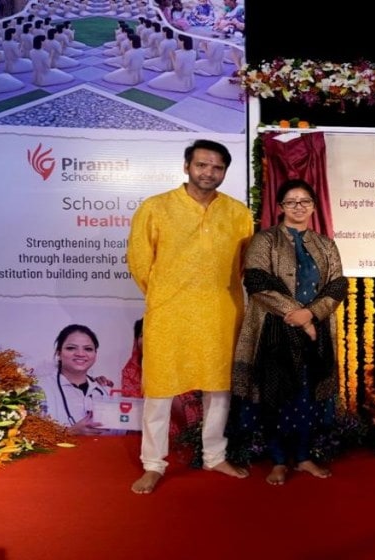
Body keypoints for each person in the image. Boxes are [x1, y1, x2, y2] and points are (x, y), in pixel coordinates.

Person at [126, 139, 254, 494]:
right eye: (202, 165)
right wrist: (166, 295)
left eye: (217, 167)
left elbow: (243, 265)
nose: (208, 172)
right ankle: (153, 464)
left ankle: (215, 455)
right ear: (186, 167)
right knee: (160, 390)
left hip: (221, 312)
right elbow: (139, 261)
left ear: (225, 172)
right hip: (170, 313)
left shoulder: (238, 213)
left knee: (219, 389)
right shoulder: (156, 208)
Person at [229, 179, 348, 485]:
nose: (298, 207)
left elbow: (338, 285)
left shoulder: (326, 244)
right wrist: (298, 316)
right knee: (276, 393)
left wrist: (312, 315)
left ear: (314, 207)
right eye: (291, 201)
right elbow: (256, 281)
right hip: (274, 330)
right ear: (280, 207)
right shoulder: (264, 240)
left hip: (315, 333)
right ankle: (279, 460)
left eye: (304, 201)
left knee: (308, 393)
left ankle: (304, 457)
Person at [120, 318, 203, 439]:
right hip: (139, 441)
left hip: (176, 442)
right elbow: (130, 414)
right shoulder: (130, 371)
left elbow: (192, 422)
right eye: (142, 335)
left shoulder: (189, 372)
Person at [34, 324, 113, 436]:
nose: (80, 354)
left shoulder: (104, 390)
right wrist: (70, 432)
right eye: (71, 348)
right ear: (59, 353)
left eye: (88, 349)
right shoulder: (39, 387)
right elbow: (29, 435)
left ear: (95, 355)